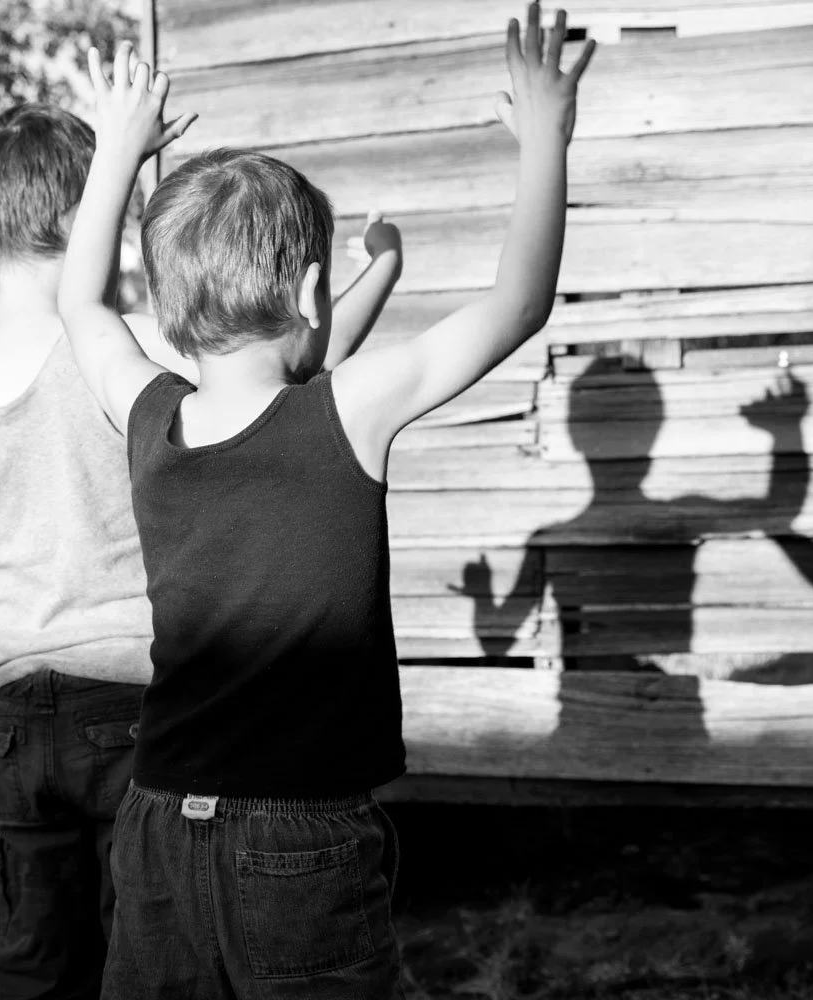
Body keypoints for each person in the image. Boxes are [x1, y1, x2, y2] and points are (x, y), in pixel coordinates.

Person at [55, 6, 594, 995]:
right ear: (310, 290)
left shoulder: (151, 415)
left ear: (174, 309)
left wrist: (120, 153)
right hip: (298, 841)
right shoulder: (343, 413)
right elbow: (518, 304)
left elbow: (82, 306)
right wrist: (545, 139)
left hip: (158, 820)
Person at [0, 97, 402, 997]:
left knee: (41, 948)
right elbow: (297, 366)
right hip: (133, 708)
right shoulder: (137, 352)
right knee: (153, 936)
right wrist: (378, 273)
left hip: (16, 718)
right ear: (89, 214)